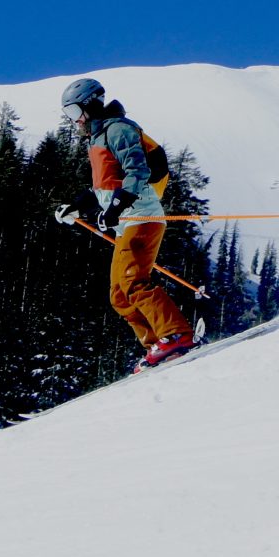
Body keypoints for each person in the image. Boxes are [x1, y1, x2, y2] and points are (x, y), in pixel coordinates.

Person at [55, 77, 194, 370]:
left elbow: (137, 171)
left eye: (74, 112)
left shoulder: (118, 129)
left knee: (134, 281)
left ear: (90, 104)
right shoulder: (97, 138)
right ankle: (158, 344)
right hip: (127, 222)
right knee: (119, 295)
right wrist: (76, 207)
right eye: (69, 115)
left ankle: (176, 336)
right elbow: (103, 188)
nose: (74, 120)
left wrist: (118, 206)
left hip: (141, 215)